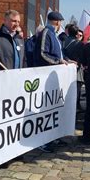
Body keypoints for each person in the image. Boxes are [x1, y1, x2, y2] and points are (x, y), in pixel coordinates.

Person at [34, 11, 72, 152]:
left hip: (53, 77)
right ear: (57, 22)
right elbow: (43, 53)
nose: (60, 25)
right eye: (60, 22)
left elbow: (59, 54)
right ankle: (43, 141)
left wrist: (66, 61)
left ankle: (52, 136)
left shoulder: (53, 35)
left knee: (52, 109)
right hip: (46, 77)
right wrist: (58, 62)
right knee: (45, 110)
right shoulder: (46, 33)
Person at [62, 24, 85, 111]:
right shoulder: (79, 44)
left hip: (64, 70)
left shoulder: (63, 41)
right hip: (77, 71)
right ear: (76, 34)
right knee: (75, 94)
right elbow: (83, 58)